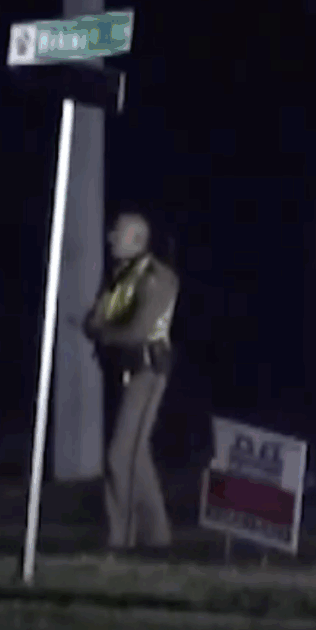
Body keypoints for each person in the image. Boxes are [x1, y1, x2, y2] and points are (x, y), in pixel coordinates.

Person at [85, 211, 180, 552]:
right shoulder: (121, 276)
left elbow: (136, 330)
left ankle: (120, 538)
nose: (111, 237)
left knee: (118, 455)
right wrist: (102, 329)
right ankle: (156, 538)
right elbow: (95, 317)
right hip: (125, 371)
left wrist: (104, 333)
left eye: (118, 233)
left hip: (147, 370)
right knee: (136, 455)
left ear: (138, 240)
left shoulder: (157, 278)